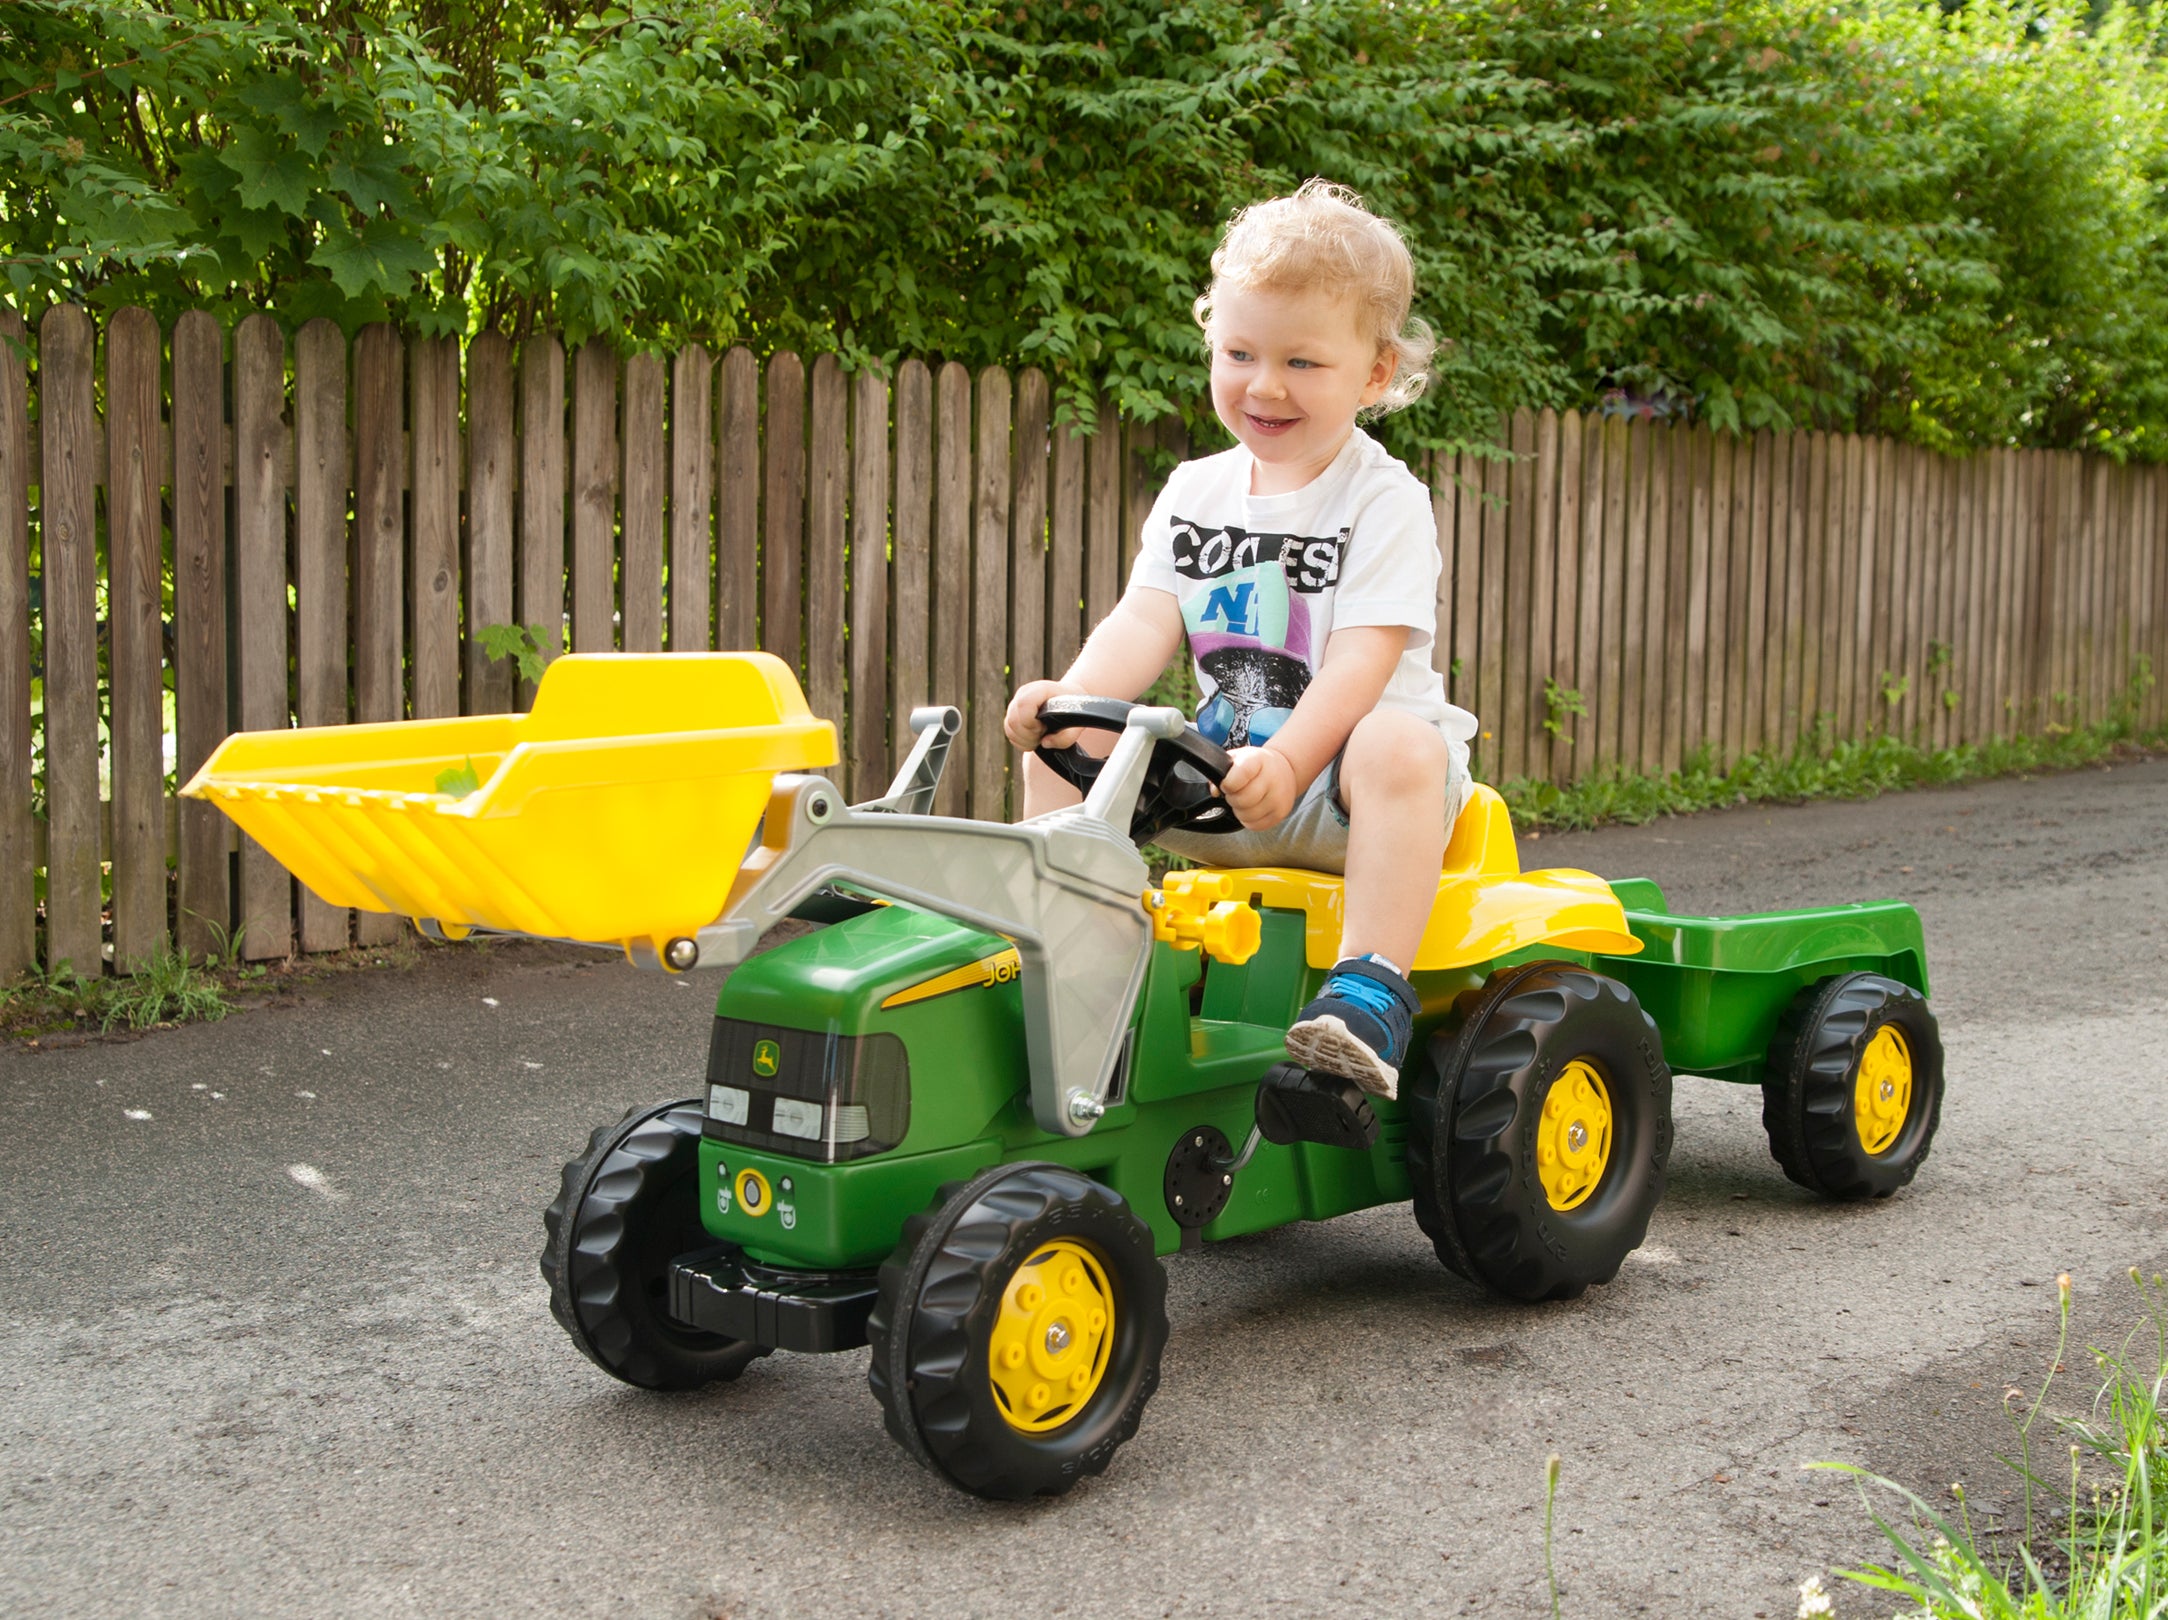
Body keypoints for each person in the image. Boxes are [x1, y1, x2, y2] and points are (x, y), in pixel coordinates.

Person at [1003, 179, 1478, 1102]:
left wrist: (1298, 760)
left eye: (1304, 362)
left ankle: (1370, 989)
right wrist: (1066, 698)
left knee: (1396, 740)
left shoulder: (1382, 500)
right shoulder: (1193, 490)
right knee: (1064, 740)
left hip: (1347, 798)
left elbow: (1362, 660)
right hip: (1232, 787)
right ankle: (1053, 946)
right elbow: (1145, 620)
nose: (1265, 385)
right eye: (1240, 352)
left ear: (1376, 374)